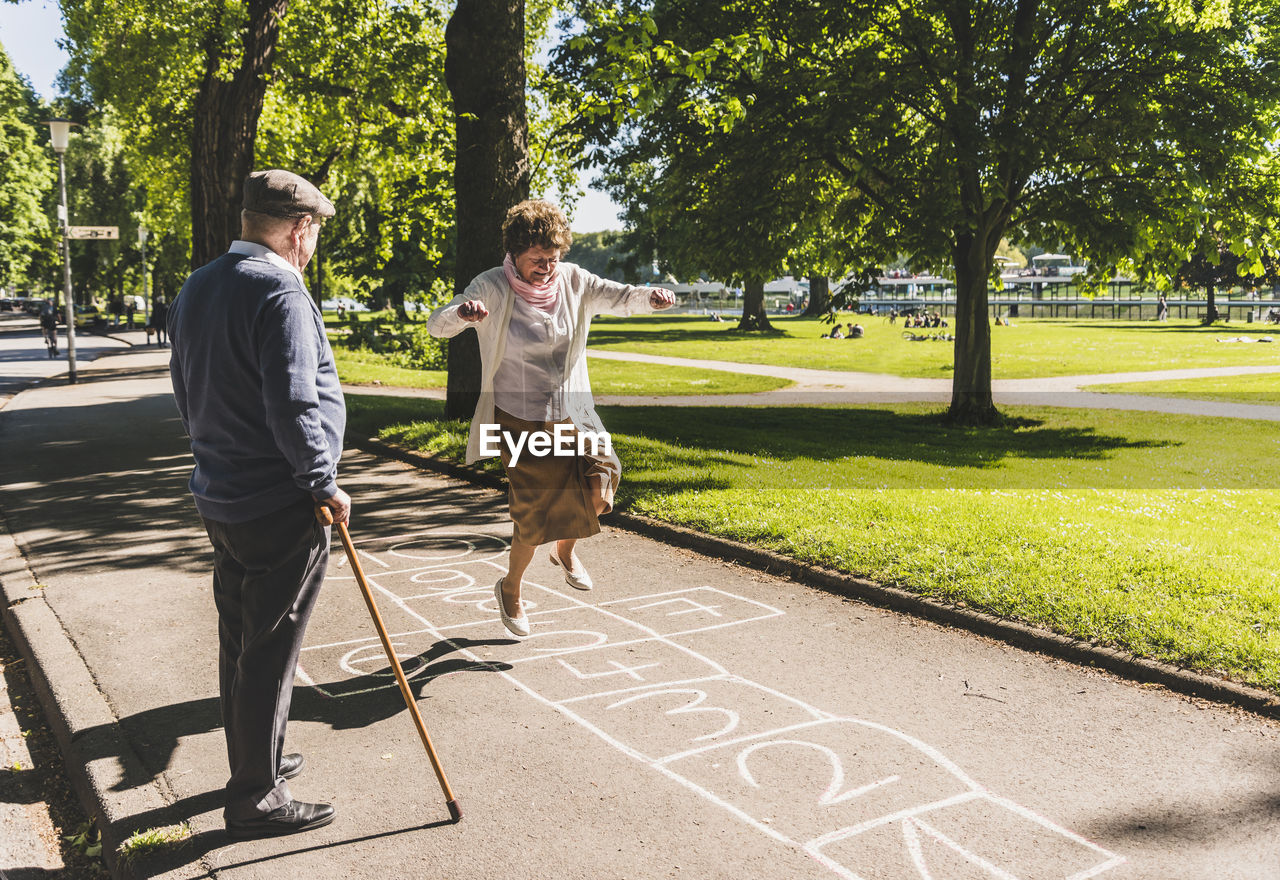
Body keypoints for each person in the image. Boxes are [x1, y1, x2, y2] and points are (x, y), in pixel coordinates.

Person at [168, 169, 348, 840]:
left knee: (240, 640)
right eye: (315, 234)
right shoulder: (280, 290)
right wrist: (322, 481)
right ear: (300, 229)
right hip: (277, 500)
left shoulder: (199, 284)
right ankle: (255, 796)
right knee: (269, 649)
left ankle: (260, 760)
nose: (314, 245)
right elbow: (295, 401)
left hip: (220, 493)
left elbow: (185, 388)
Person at [427, 199, 675, 638]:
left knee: (603, 484)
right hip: (521, 418)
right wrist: (463, 315)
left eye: (553, 258)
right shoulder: (491, 287)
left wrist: (650, 298)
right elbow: (438, 324)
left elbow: (620, 296)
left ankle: (565, 549)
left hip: (573, 411)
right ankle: (511, 588)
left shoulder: (574, 280)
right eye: (537, 260)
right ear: (515, 253)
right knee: (534, 515)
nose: (547, 268)